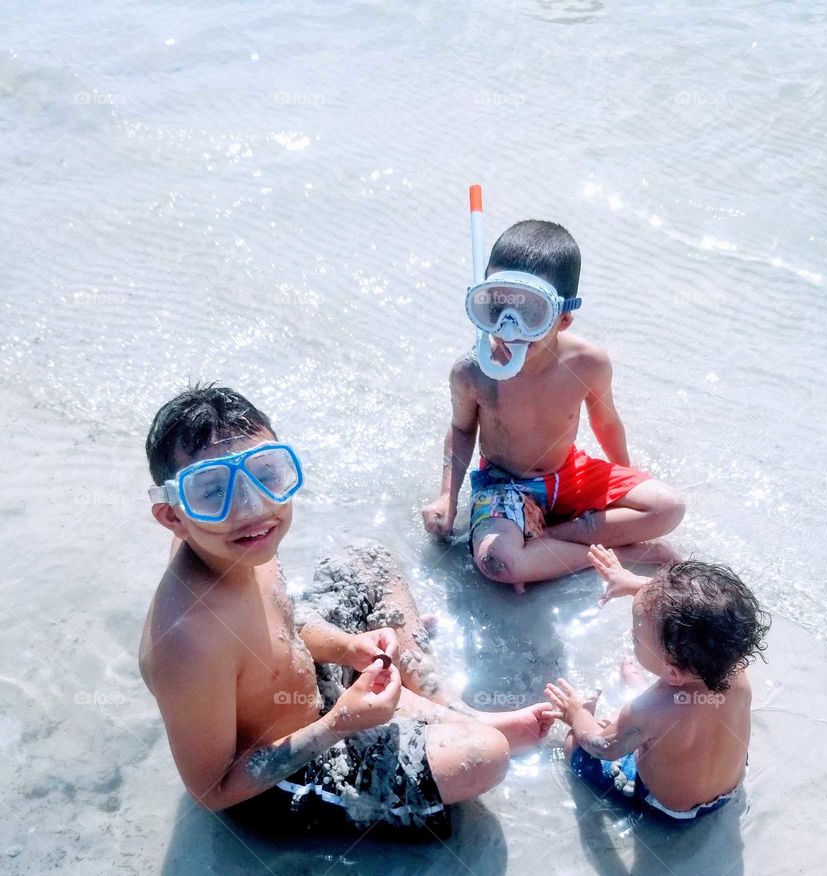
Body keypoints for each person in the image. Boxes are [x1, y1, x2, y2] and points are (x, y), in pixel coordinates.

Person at [139, 384, 554, 834]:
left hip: (311, 692)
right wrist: (339, 724)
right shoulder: (186, 642)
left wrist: (347, 646)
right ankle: (423, 718)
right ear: (173, 517)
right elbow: (211, 789)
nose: (252, 506)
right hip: (281, 776)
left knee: (366, 559)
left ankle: (451, 707)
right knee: (486, 755)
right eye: (211, 492)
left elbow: (280, 622)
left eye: (267, 474)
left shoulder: (240, 543)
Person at [422, 219, 685, 593]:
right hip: (504, 485)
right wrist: (447, 496)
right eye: (498, 307)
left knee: (668, 507)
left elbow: (606, 421)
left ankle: (552, 538)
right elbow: (462, 429)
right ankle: (619, 553)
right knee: (499, 563)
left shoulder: (587, 362)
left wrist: (625, 472)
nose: (509, 327)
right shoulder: (473, 372)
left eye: (530, 314)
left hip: (569, 474)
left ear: (562, 318)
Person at [545, 546, 770, 820]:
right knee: (668, 714)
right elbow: (696, 616)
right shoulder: (736, 670)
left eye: (636, 639)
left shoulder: (648, 711)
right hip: (729, 788)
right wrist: (633, 584)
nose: (634, 639)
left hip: (670, 809)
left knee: (575, 746)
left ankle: (618, 711)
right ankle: (642, 701)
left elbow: (603, 747)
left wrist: (577, 715)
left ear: (673, 674)